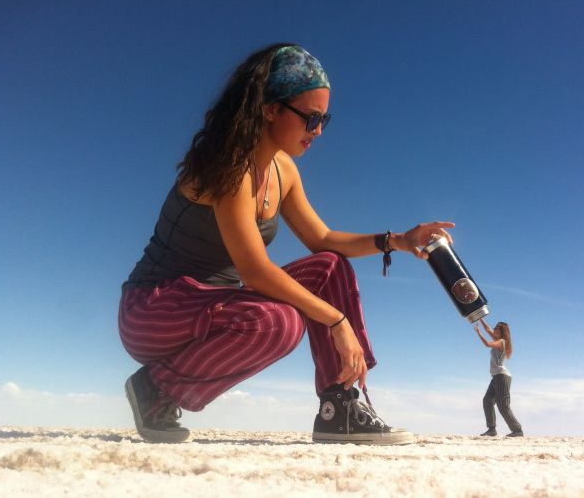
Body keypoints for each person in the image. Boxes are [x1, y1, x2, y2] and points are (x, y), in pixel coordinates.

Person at [118, 43, 455, 444]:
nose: (317, 132)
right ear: (270, 108)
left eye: (324, 120)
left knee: (329, 264)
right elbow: (255, 270)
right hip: (155, 311)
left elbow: (323, 239)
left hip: (217, 307)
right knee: (278, 324)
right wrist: (337, 320)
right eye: (311, 118)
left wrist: (398, 240)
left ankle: (339, 403)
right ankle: (156, 389)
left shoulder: (283, 170)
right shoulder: (229, 165)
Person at [474, 319, 524, 437]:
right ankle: (492, 429)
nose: (494, 328)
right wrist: (480, 318)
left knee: (503, 405)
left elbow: (487, 344)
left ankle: (517, 430)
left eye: (497, 328)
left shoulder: (501, 341)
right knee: (488, 400)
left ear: (502, 332)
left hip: (502, 376)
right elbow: (488, 329)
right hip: (496, 376)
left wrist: (478, 332)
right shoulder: (498, 340)